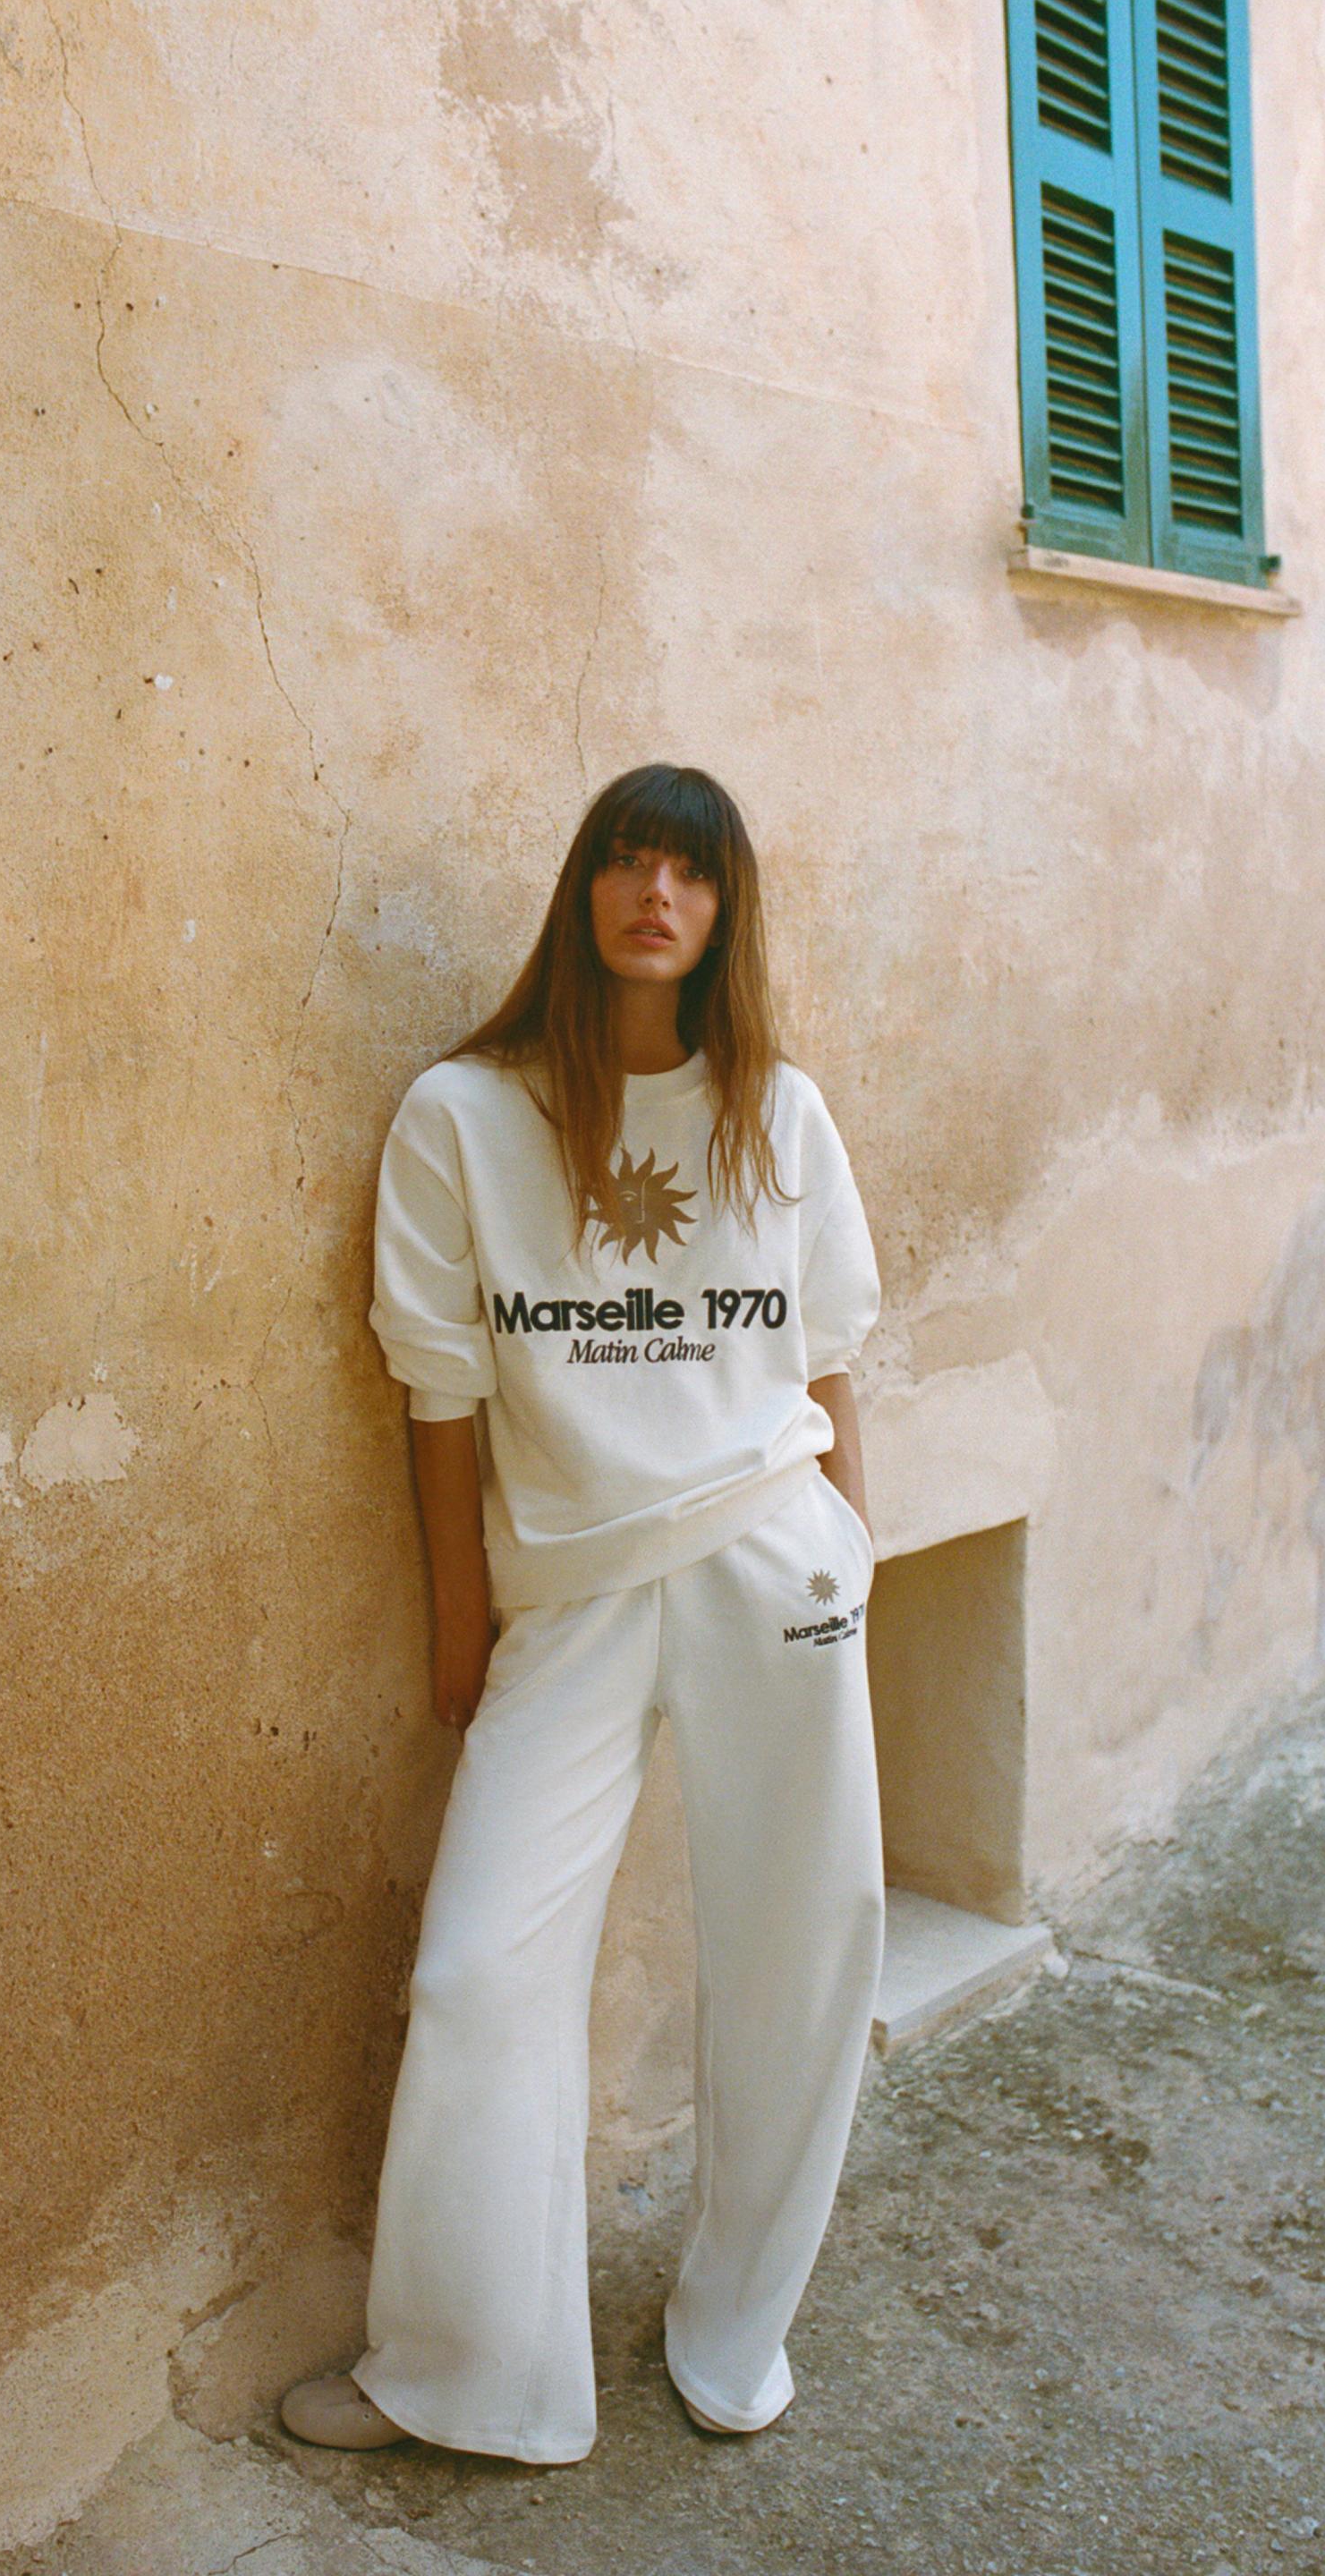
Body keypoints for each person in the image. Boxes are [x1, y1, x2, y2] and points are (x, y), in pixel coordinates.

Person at [281, 762, 886, 2464]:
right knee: (481, 1969)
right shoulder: (463, 1118)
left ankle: (736, 2332)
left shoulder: (782, 1112)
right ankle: (464, 2368)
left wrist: (859, 1556)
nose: (654, 895)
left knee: (806, 1945)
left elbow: (833, 1357)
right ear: (583, 890)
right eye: (626, 862)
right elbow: (440, 1393)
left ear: (725, 910)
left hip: (775, 1554)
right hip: (573, 1588)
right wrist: (457, 1623)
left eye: (689, 872)